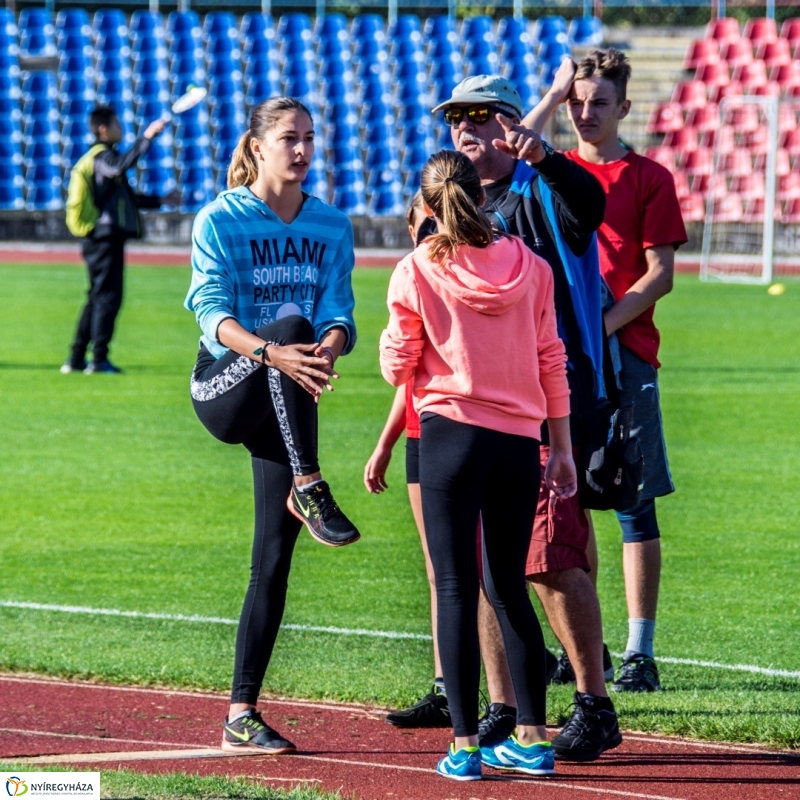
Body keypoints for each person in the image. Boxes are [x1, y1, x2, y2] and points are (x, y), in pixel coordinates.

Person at [433, 74, 622, 762]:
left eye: (481, 118)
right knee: (489, 562)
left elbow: (590, 204)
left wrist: (544, 155)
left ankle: (595, 703)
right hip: (476, 408)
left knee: (549, 559)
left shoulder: (542, 189)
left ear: (511, 127)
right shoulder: (456, 207)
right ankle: (506, 704)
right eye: (456, 118)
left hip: (551, 405)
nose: (465, 129)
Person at [380, 148, 576, 780]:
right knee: (508, 586)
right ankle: (534, 738)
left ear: (429, 205)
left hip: (450, 435)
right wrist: (563, 447)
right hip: (520, 440)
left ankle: (464, 745)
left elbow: (398, 366)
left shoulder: (415, 268)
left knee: (456, 588)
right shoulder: (532, 267)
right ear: (479, 196)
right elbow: (552, 360)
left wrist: (394, 339)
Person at [184, 96, 360, 754]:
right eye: (290, 138)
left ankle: (240, 714)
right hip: (224, 382)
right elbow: (211, 314)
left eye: (311, 138)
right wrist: (275, 351)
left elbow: (339, 307)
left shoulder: (330, 225)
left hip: (288, 393)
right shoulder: (222, 218)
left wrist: (329, 347)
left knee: (273, 562)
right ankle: (310, 481)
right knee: (287, 323)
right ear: (257, 146)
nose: (304, 150)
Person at [525, 50, 687, 693]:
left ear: (624, 107)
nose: (586, 113)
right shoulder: (546, 175)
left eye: (599, 102)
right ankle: (582, 645)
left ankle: (641, 651)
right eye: (577, 102)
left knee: (633, 504)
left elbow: (661, 275)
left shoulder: (649, 177)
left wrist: (603, 326)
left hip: (626, 354)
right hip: (562, 358)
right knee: (571, 500)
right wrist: (554, 86)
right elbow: (514, 150)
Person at [364, 193, 451, 729]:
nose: (432, 235)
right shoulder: (417, 273)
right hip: (424, 427)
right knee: (441, 567)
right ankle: (448, 688)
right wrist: (386, 442)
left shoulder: (452, 270)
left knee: (482, 570)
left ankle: (505, 691)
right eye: (425, 226)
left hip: (461, 425)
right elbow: (408, 376)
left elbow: (399, 364)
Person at [61, 105, 177, 374]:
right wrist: (146, 138)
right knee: (108, 298)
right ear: (104, 129)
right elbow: (120, 167)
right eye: (116, 124)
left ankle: (77, 358)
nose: (120, 129)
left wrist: (161, 200)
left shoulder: (98, 159)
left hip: (97, 238)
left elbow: (126, 197)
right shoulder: (102, 157)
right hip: (104, 238)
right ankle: (99, 359)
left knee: (96, 297)